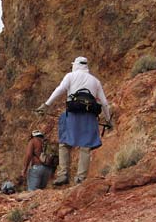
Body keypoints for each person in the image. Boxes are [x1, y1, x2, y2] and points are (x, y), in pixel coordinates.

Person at [36, 56, 113, 185]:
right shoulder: (95, 81)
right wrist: (109, 120)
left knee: (65, 143)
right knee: (85, 146)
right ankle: (81, 178)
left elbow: (60, 90)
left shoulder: (70, 76)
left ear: (75, 65)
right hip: (90, 116)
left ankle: (63, 174)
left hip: (73, 113)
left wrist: (46, 105)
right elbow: (104, 103)